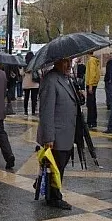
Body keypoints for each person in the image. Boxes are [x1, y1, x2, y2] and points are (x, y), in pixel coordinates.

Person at [36, 57, 77, 210]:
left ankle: (50, 191)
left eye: (70, 61)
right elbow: (46, 111)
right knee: (55, 167)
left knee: (59, 166)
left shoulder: (66, 79)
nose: (68, 64)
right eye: (65, 61)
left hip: (67, 131)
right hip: (56, 133)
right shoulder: (51, 80)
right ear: (57, 62)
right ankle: (54, 197)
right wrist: (48, 137)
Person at [21, 52, 40, 116]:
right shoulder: (35, 64)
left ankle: (25, 111)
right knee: (34, 98)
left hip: (26, 83)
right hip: (34, 83)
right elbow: (39, 73)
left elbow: (21, 73)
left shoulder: (24, 65)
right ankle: (33, 111)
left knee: (26, 97)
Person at [85, 52, 100, 129]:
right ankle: (93, 121)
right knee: (92, 103)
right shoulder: (95, 60)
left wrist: (90, 85)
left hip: (90, 84)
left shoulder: (91, 61)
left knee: (90, 104)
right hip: (94, 84)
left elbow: (92, 73)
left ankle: (90, 121)